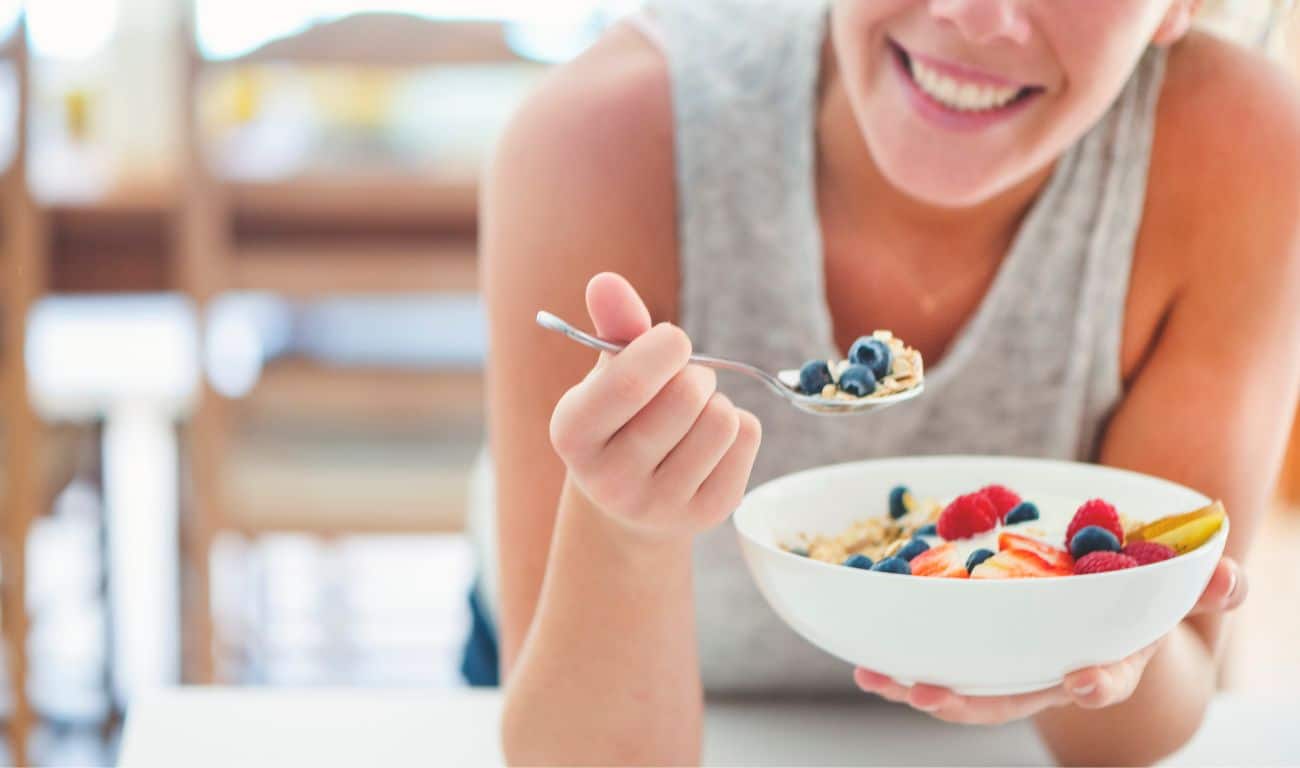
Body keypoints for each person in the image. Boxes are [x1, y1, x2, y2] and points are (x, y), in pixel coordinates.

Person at [474, 0, 1300, 764]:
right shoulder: (603, 135)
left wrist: (1096, 624)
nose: (975, 18)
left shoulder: (1244, 151)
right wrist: (625, 533)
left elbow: (1143, 727)